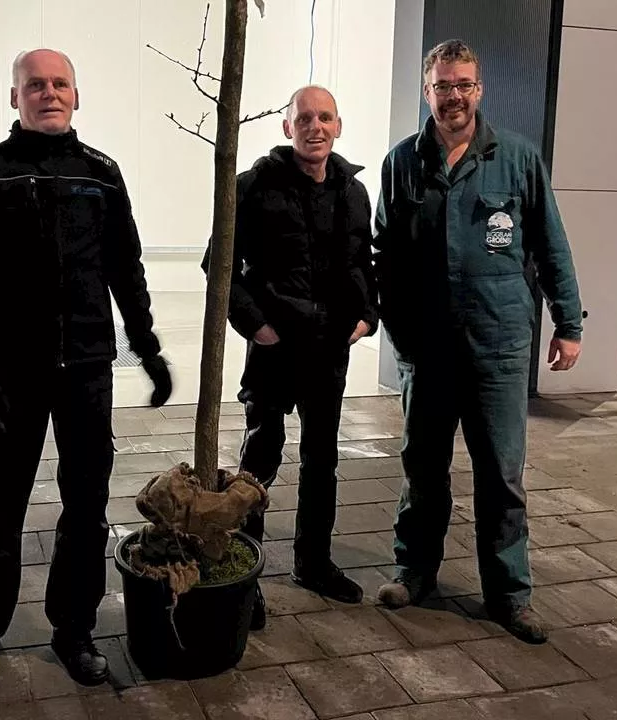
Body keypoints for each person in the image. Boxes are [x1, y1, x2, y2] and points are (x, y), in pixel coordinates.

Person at [0, 48, 173, 689]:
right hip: (10, 376)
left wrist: (147, 348)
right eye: (33, 84)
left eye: (59, 83)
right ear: (14, 97)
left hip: (87, 370)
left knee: (87, 510)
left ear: (76, 95)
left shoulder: (102, 174)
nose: (47, 92)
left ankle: (75, 632)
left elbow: (127, 268)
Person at [371, 40, 583, 645]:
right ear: (427, 91)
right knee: (423, 469)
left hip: (498, 347)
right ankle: (414, 573)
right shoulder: (401, 164)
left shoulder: (515, 158)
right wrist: (398, 331)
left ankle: (510, 595)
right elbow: (384, 255)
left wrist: (569, 323)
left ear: (479, 89)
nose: (454, 95)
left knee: (501, 477)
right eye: (443, 85)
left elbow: (550, 244)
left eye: (464, 84)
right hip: (429, 352)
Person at [205, 85, 378, 630]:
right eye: (304, 118)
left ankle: (314, 563)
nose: (315, 126)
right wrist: (255, 325)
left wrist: (368, 315)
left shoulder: (354, 193)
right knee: (262, 458)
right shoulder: (253, 186)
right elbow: (220, 264)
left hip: (329, 350)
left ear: (339, 125)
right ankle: (244, 573)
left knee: (322, 460)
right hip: (275, 349)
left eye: (325, 117)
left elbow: (363, 263)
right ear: (287, 128)